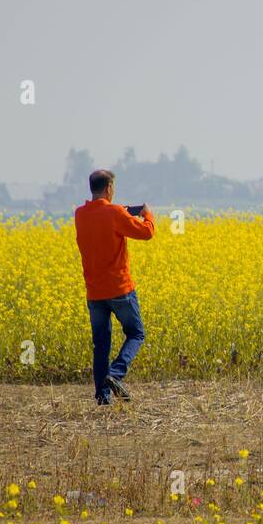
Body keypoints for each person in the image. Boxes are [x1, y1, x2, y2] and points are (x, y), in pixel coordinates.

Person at [74, 169, 155, 403]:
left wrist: (121, 211)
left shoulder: (80, 214)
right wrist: (146, 213)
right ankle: (115, 373)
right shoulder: (115, 213)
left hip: (95, 291)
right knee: (136, 333)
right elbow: (146, 232)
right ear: (109, 188)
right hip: (120, 289)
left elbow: (101, 215)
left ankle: (102, 396)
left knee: (101, 343)